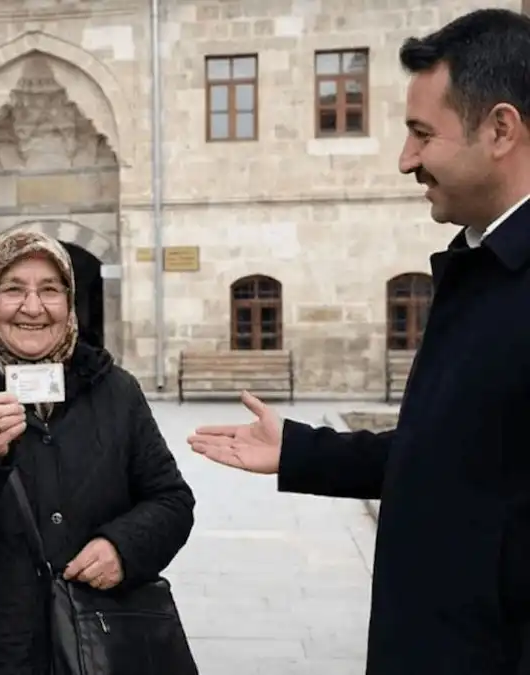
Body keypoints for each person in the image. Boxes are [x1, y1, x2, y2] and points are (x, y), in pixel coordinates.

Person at [187, 9, 530, 675]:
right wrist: (302, 452)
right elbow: (448, 456)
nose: (405, 160)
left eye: (422, 134)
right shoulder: (482, 264)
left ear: (500, 129)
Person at [0, 229, 196, 675]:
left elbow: (172, 500)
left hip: (102, 647)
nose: (33, 307)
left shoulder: (114, 389)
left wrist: (123, 547)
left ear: (69, 300)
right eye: (13, 289)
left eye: (49, 290)